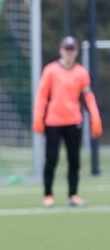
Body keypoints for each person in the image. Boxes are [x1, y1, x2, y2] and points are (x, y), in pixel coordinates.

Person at [33, 35, 102, 207]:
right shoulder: (50, 70)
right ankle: (48, 195)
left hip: (73, 121)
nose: (69, 53)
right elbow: (42, 96)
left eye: (72, 50)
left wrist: (95, 116)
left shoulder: (81, 73)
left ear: (76, 52)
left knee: (74, 160)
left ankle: (73, 195)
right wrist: (38, 117)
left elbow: (88, 96)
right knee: (52, 159)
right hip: (53, 122)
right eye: (66, 49)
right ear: (61, 50)